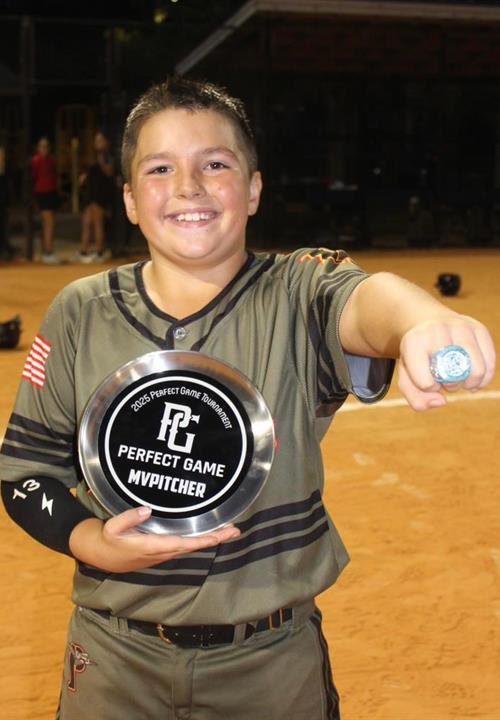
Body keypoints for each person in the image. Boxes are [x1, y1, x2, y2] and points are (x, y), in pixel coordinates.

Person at [0, 78, 495, 720]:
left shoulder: (294, 294)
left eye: (215, 164)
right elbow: (25, 475)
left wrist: (420, 319)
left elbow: (363, 298)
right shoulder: (79, 313)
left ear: (254, 188)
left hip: (270, 665)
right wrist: (89, 540)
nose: (189, 186)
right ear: (129, 199)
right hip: (113, 662)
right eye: (159, 168)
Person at [76, 131, 115, 263]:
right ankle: (83, 251)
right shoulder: (92, 156)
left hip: (100, 194)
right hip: (90, 194)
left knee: (98, 223)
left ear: (106, 142)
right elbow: (90, 173)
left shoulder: (108, 156)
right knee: (87, 222)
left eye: (100, 140)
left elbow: (110, 173)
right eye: (96, 140)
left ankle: (100, 252)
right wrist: (83, 178)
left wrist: (102, 163)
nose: (97, 143)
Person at [31, 137, 62, 264]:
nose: (44, 149)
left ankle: (47, 251)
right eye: (42, 146)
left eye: (46, 146)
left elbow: (55, 177)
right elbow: (33, 177)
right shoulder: (36, 161)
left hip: (51, 193)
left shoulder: (52, 160)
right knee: (48, 222)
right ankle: (48, 252)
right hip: (41, 193)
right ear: (38, 148)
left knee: (50, 223)